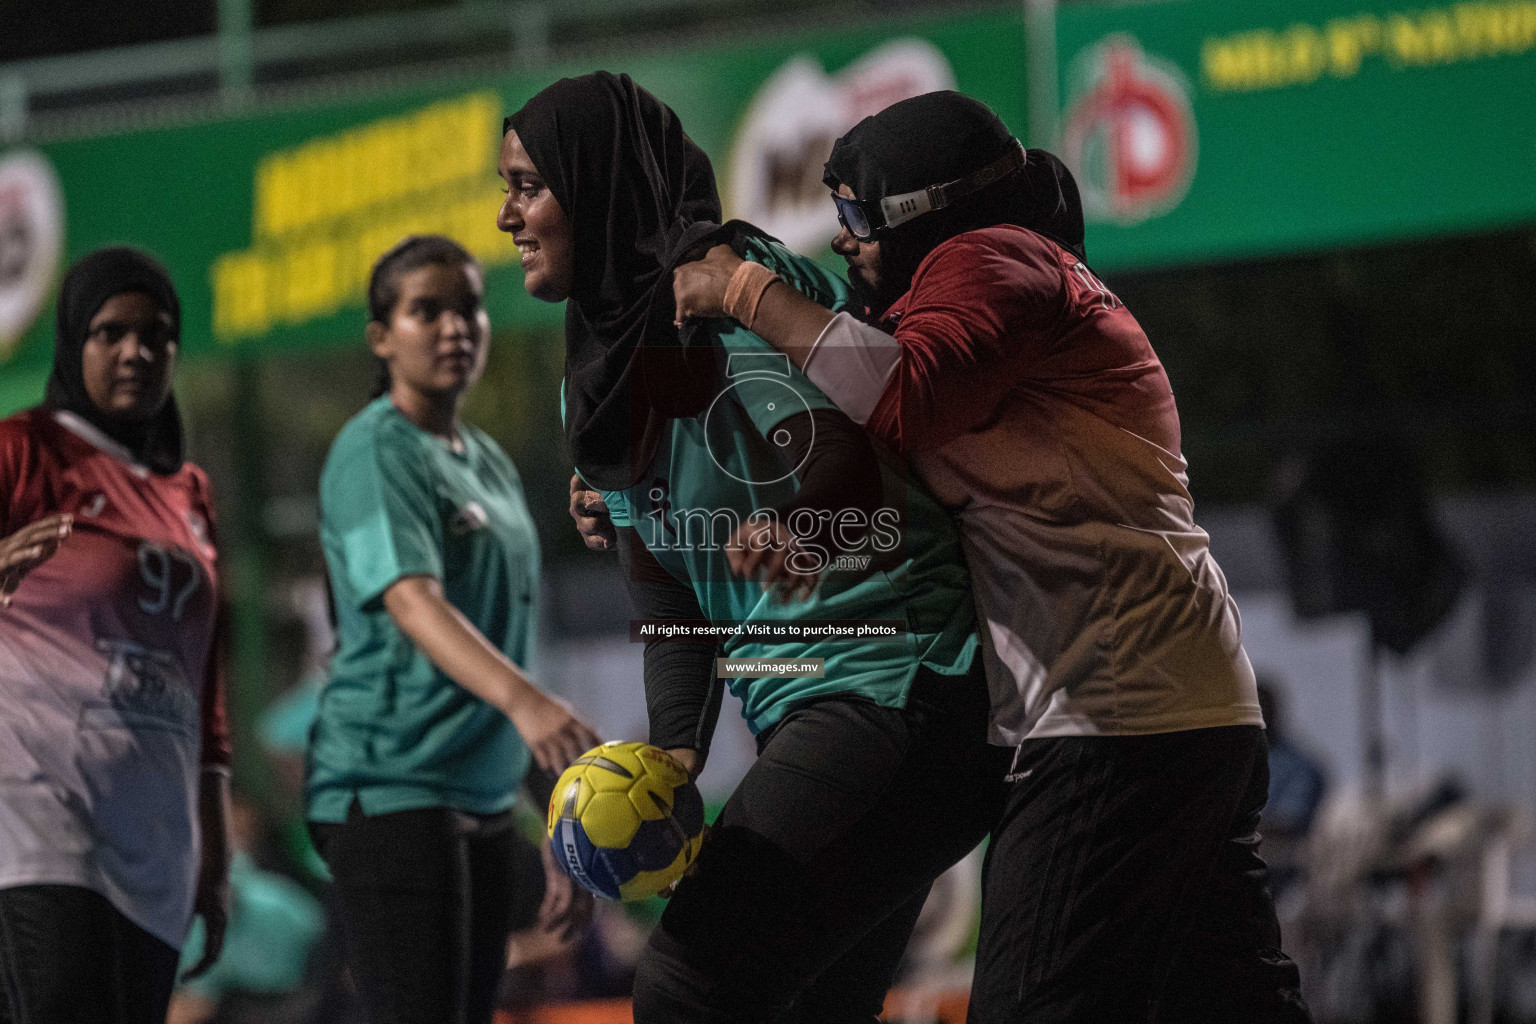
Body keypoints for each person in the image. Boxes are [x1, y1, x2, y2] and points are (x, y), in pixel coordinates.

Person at [672, 92, 1310, 1023]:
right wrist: (809, 521)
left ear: (928, 211)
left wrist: (741, 291)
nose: (843, 240)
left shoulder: (995, 258)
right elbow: (939, 461)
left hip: (1110, 720)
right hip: (1183, 712)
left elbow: (905, 396)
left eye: (858, 213)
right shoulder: (996, 292)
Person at [500, 73, 1004, 1024]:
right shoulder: (596, 389)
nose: (505, 216)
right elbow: (668, 605)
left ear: (598, 183)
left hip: (900, 686)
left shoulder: (731, 294)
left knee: (686, 984)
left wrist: (804, 521)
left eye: (529, 186)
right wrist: (676, 757)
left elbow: (859, 455)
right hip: (817, 704)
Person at [305, 235, 599, 1024]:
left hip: (482, 797)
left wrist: (560, 820)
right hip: (391, 788)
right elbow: (412, 599)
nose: (453, 327)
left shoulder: (490, 464)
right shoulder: (374, 448)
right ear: (381, 336)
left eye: (468, 306)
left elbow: (505, 650)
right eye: (424, 310)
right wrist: (533, 706)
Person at [0, 247, 232, 1023]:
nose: (136, 351)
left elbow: (209, 692)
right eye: (110, 332)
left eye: (156, 334)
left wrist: (217, 852)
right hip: (37, 818)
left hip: (158, 840)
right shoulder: (22, 451)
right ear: (74, 342)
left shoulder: (190, 492)